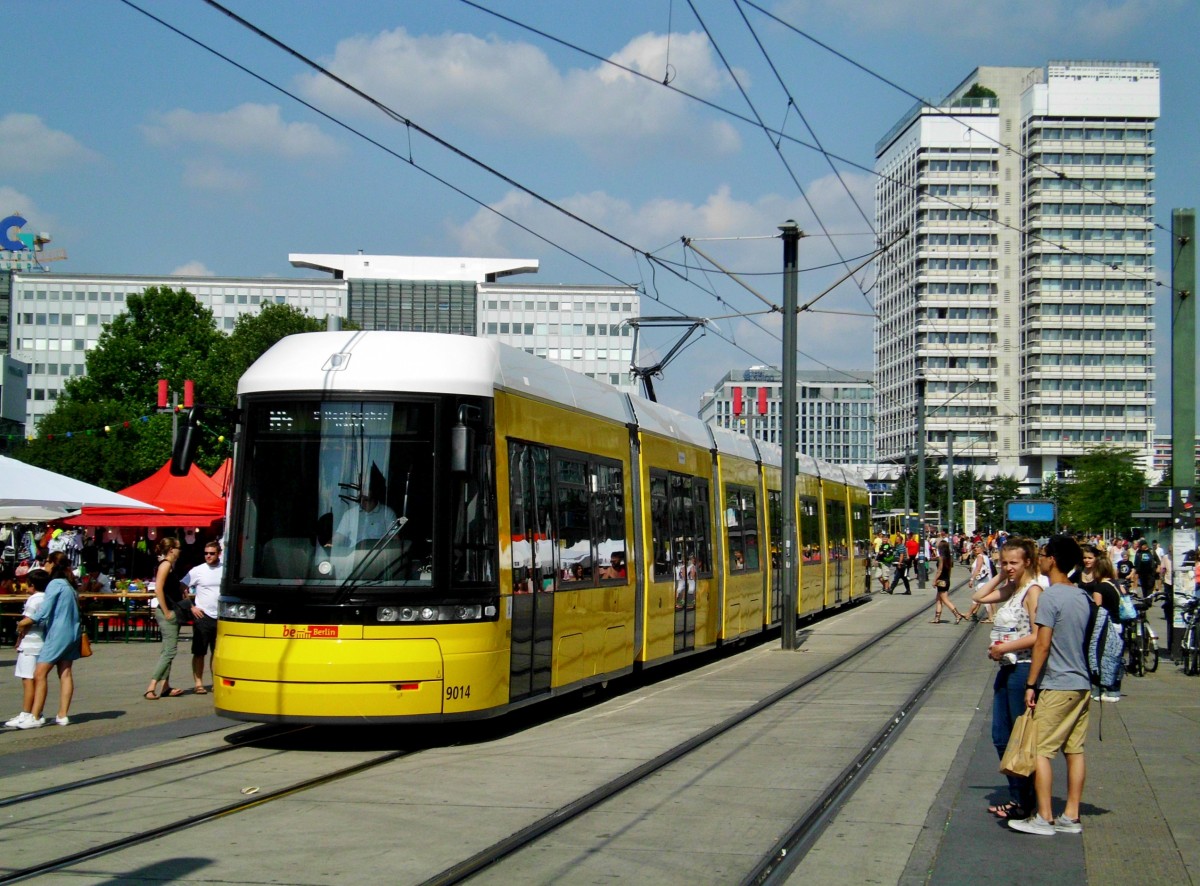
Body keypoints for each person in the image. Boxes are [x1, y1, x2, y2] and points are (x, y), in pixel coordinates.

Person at [1009, 535, 1091, 836]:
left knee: (1040, 751)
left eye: (1043, 554)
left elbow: (1042, 644)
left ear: (1052, 559)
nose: (1040, 558)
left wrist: (1031, 683)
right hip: (1081, 683)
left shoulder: (1050, 597)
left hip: (1057, 683)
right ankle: (1072, 814)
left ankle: (1044, 817)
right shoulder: (1080, 595)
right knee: (1075, 750)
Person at [971, 536, 1042, 819]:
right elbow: (978, 597)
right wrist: (1000, 574)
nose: (1009, 567)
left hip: (1022, 669)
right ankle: (1020, 795)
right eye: (1004, 562)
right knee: (1001, 736)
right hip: (1006, 668)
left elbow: (1039, 635)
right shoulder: (1012, 588)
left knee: (1017, 737)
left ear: (1028, 562)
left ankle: (1025, 799)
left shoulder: (1033, 592)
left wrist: (1003, 648)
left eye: (1014, 563)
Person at [23, 551, 82, 729]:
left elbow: (44, 611)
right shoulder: (70, 585)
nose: (44, 566)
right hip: (74, 632)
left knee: (39, 673)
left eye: (46, 562)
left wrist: (26, 621)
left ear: (52, 564)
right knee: (65, 673)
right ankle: (62, 715)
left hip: (58, 633)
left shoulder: (55, 584)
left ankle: (35, 716)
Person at [5, 569, 50, 728]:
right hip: (42, 642)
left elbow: (27, 621)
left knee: (27, 679)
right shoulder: (47, 598)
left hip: (30, 642)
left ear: (32, 584)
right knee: (38, 678)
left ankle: (27, 713)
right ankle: (37, 712)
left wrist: (18, 634)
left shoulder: (33, 599)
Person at [144, 536, 187, 700]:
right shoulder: (166, 565)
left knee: (168, 649)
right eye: (178, 548)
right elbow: (158, 589)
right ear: (171, 550)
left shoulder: (169, 566)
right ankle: (151, 686)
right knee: (169, 651)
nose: (180, 551)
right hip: (167, 612)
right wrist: (167, 610)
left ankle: (165, 686)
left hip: (170, 610)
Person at [183, 540, 223, 695]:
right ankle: (198, 683)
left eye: (212, 553)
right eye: (206, 553)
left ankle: (215, 681)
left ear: (219, 553)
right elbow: (182, 587)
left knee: (217, 652)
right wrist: (192, 607)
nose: (208, 556)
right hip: (203, 616)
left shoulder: (225, 569)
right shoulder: (198, 570)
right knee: (199, 652)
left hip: (220, 616)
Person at [931, 539, 966, 624]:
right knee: (938, 599)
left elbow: (939, 570)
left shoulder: (941, 558)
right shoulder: (949, 558)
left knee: (945, 600)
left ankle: (957, 615)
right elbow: (949, 570)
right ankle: (937, 618)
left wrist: (934, 580)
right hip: (946, 580)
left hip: (941, 580)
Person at [965, 542, 997, 622]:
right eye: (975, 547)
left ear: (982, 548)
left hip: (982, 581)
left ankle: (990, 617)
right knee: (979, 599)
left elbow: (978, 568)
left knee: (982, 599)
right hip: (986, 580)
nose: (976, 549)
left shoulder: (980, 556)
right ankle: (970, 614)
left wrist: (972, 579)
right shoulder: (986, 556)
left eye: (978, 547)